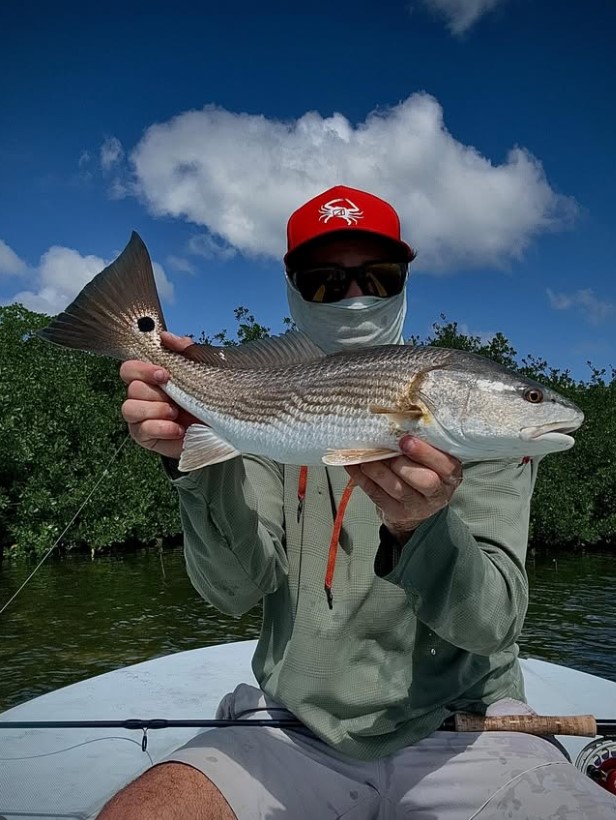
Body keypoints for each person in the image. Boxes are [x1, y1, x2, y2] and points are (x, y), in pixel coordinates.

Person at [100, 186, 615, 819]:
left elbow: (490, 626)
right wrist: (190, 463)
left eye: (378, 275)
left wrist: (424, 529)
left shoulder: (496, 444)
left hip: (467, 725)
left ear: (403, 284)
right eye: (324, 281)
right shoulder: (264, 414)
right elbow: (233, 592)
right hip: (298, 726)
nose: (354, 296)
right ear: (292, 289)